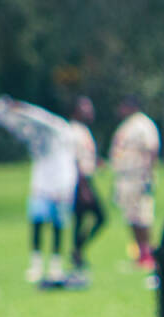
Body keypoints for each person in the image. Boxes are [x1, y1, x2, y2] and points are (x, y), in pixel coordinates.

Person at [0, 95, 77, 284]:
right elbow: (7, 123)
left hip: (61, 184)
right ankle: (36, 265)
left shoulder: (58, 128)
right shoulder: (32, 131)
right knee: (37, 224)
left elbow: (40, 118)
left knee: (58, 227)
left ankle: (55, 266)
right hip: (41, 184)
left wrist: (20, 108)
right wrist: (4, 114)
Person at [109, 95, 160, 271]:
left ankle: (148, 254)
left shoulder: (143, 124)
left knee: (142, 216)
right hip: (125, 177)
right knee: (130, 216)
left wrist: (149, 175)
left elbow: (152, 149)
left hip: (138, 176)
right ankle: (139, 253)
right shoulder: (126, 125)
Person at [68, 95, 106, 286]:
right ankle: (77, 251)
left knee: (81, 219)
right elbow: (75, 160)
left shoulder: (83, 130)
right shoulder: (73, 131)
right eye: (85, 108)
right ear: (76, 110)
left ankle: (77, 252)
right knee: (100, 217)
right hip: (80, 181)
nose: (90, 111)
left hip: (85, 179)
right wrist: (84, 188)